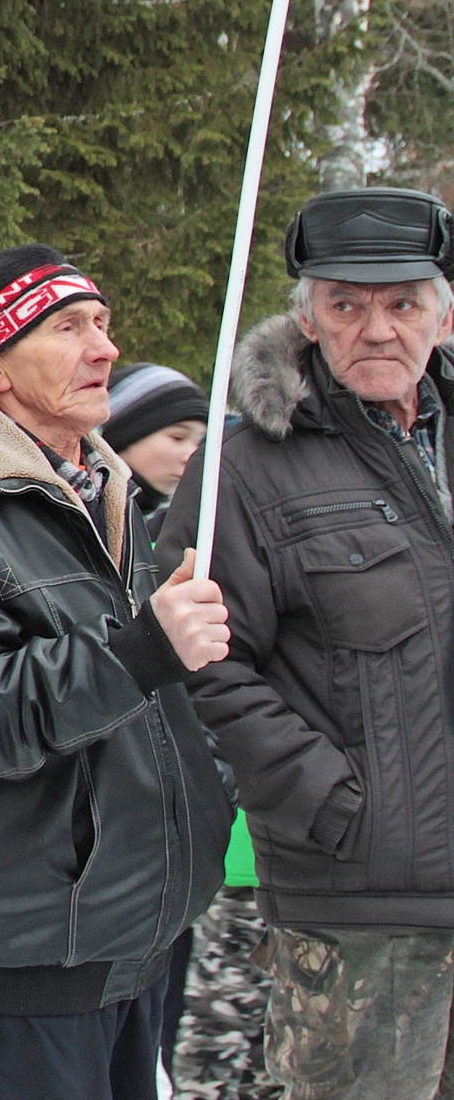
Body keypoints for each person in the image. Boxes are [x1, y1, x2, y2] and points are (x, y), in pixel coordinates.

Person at [0, 245, 233, 1100]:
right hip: (45, 938)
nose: (102, 347)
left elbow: (151, 695)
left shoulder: (104, 487)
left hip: (141, 917)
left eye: (101, 323)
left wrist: (209, 789)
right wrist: (144, 649)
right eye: (67, 328)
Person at [158, 187, 454, 1100]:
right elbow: (201, 658)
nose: (377, 328)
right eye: (347, 304)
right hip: (360, 910)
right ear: (308, 317)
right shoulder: (244, 468)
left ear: (443, 315)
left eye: (402, 302)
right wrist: (328, 800)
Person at [103, 361, 272, 1096]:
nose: (195, 450)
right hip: (145, 843)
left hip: (227, 833)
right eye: (177, 434)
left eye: (205, 434)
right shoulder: (113, 536)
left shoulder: (213, 525)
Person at [105, 361, 210, 523]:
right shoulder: (75, 514)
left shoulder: (190, 526)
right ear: (126, 435)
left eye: (198, 442)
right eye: (178, 438)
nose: (191, 456)